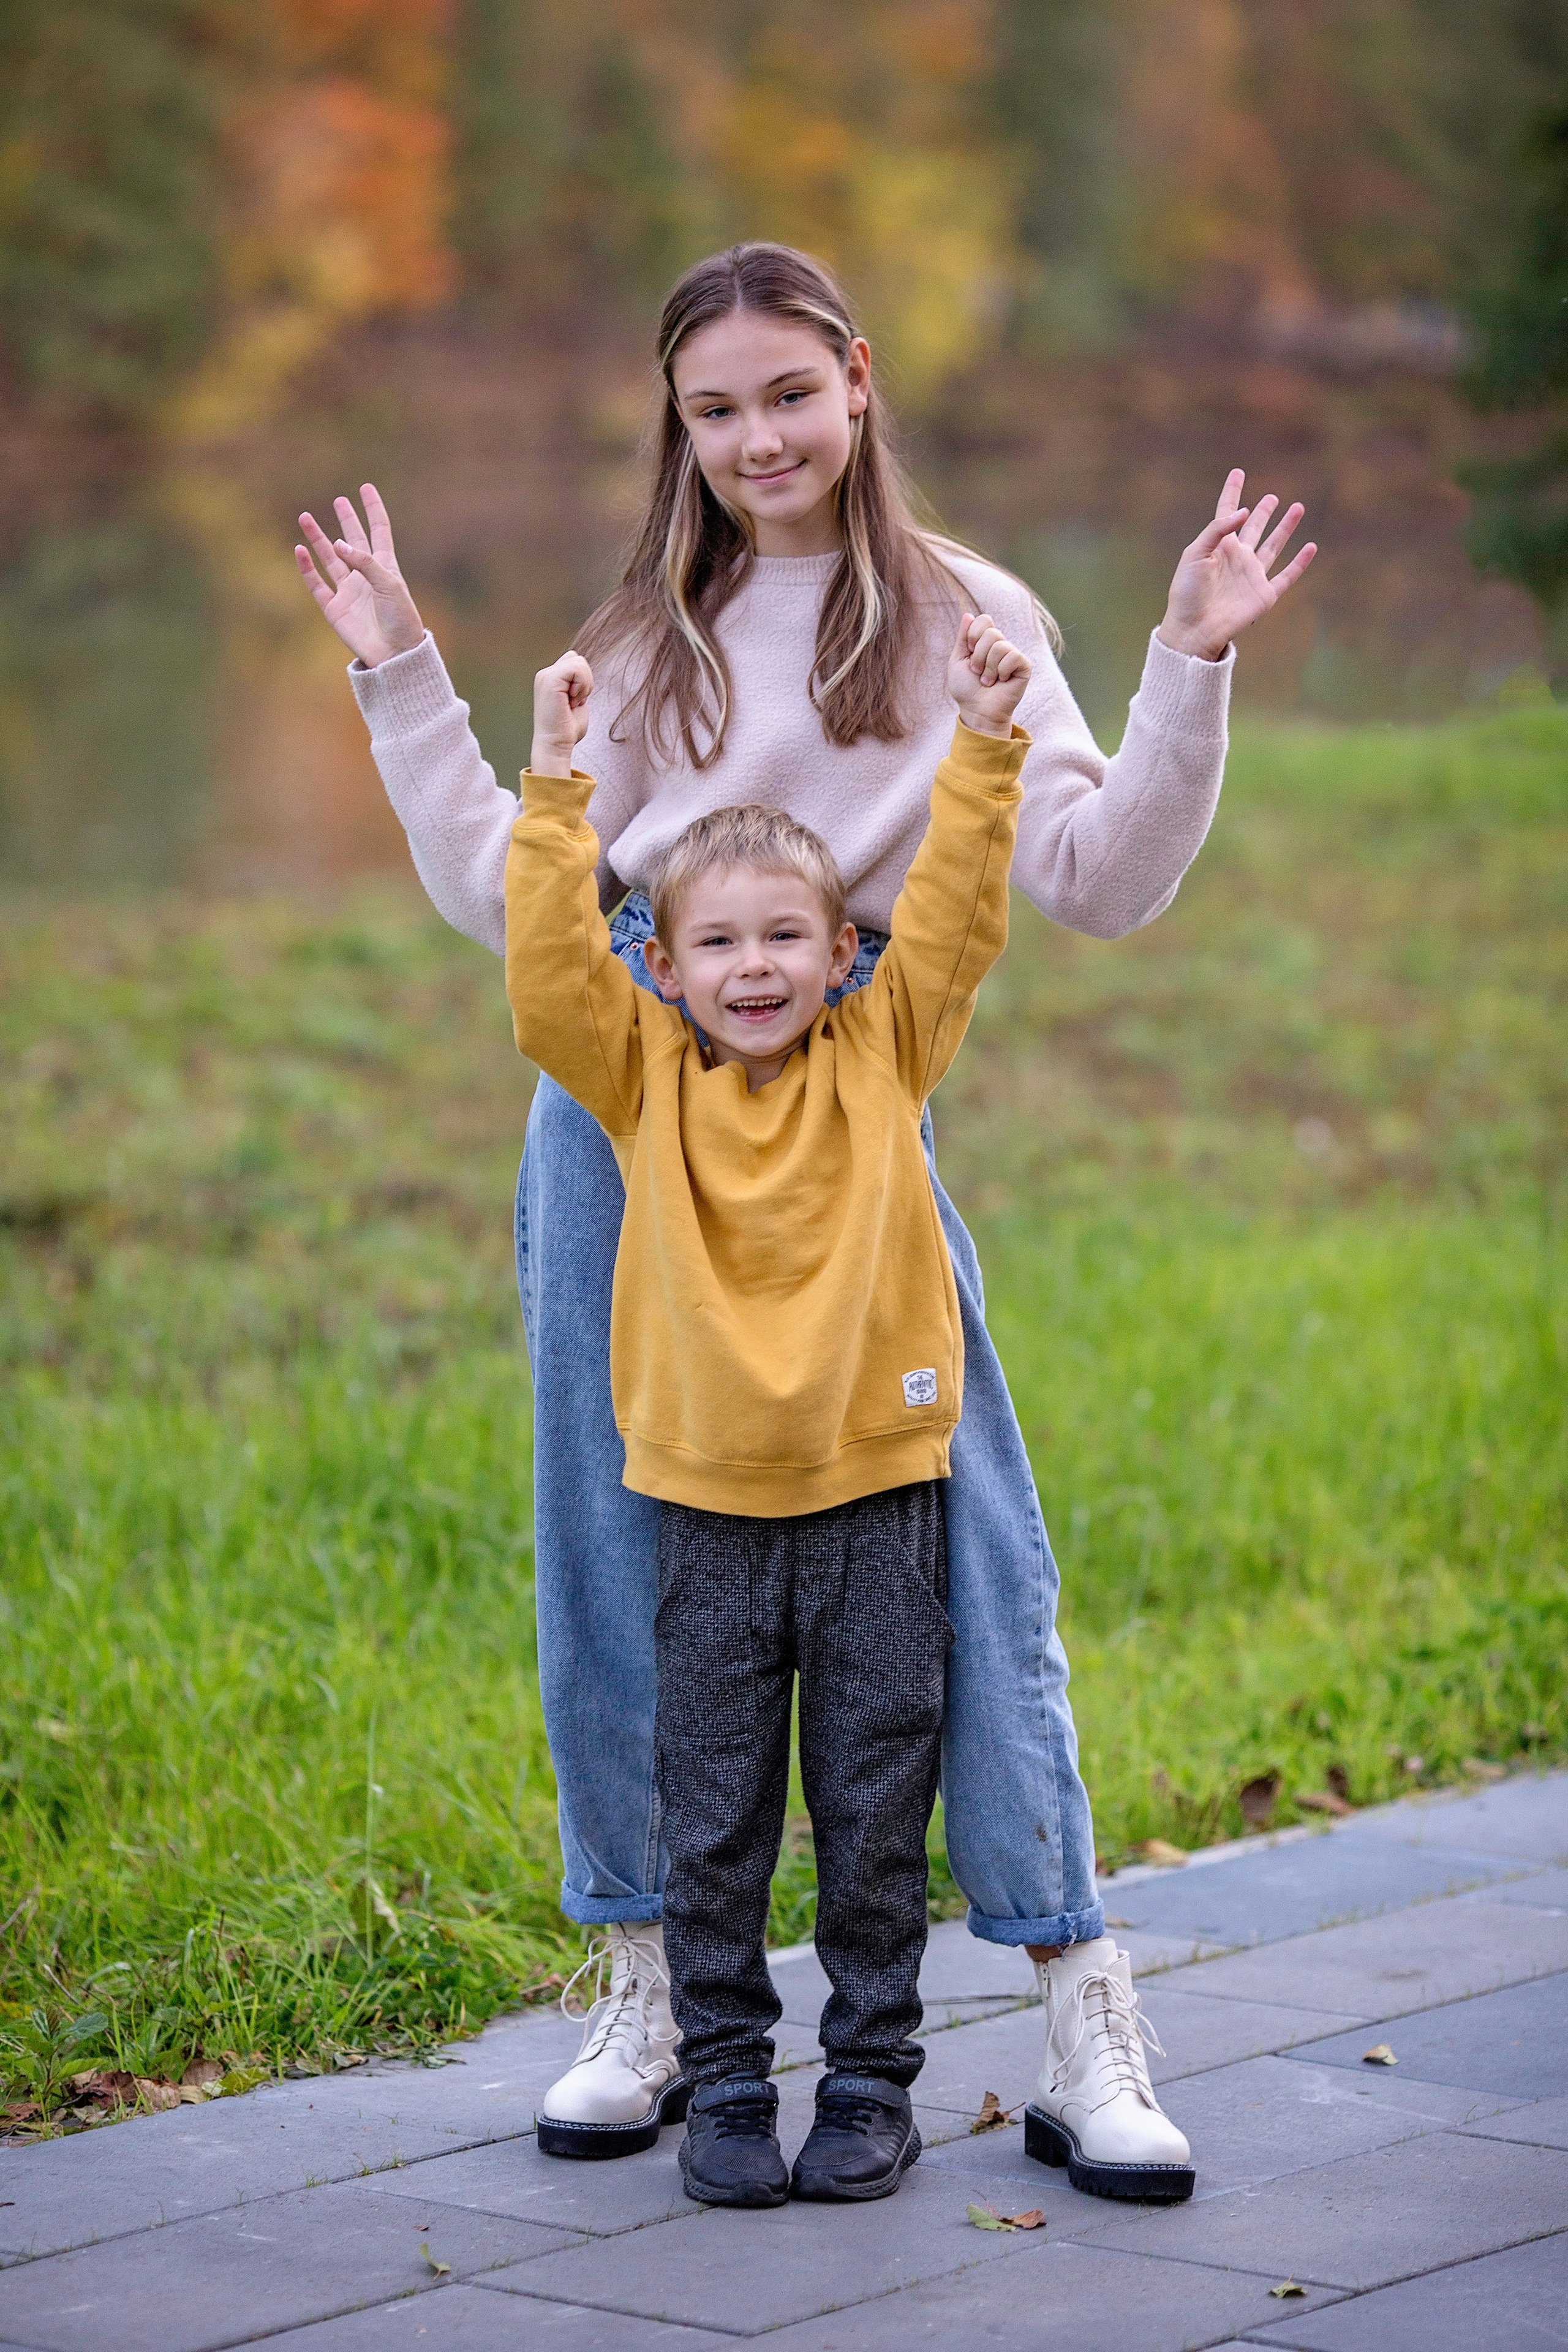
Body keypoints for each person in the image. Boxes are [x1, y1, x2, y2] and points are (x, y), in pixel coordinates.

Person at [295, 240, 1315, 2196]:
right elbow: (500, 887)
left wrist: (1190, 658)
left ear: (856, 381)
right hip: (626, 1107)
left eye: (785, 392)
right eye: (711, 408)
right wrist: (399, 666)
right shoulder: (652, 625)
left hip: (851, 1094)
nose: (755, 438)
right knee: (616, 1548)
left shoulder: (967, 616)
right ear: (675, 428)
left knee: (967, 1544)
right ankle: (651, 1985)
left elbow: (1099, 879)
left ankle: (1077, 1998)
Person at [507, 609, 1042, 2206]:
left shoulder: (886, 1052)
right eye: (720, 945)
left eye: (784, 941)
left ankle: (871, 2082)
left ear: (837, 956)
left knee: (877, 1813)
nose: (754, 969)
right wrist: (553, 789)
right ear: (664, 968)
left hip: (880, 1499)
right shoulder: (639, 1074)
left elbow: (954, 911)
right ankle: (730, 2082)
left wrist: (992, 742)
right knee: (718, 1819)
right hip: (709, 1513)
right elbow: (546, 978)